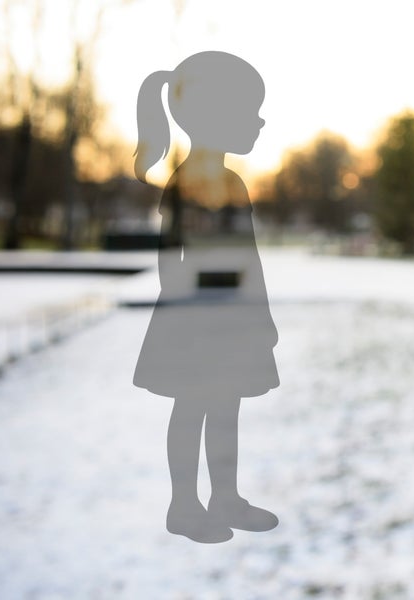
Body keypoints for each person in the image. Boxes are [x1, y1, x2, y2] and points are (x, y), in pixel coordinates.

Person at [133, 51, 280, 543]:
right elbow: (168, 259)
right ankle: (183, 505)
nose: (259, 121)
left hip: (232, 320)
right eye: (249, 111)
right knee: (193, 407)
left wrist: (260, 316)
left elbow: (247, 257)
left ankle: (225, 496)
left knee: (225, 408)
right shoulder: (185, 184)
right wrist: (187, 317)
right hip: (195, 324)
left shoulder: (233, 184)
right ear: (214, 115)